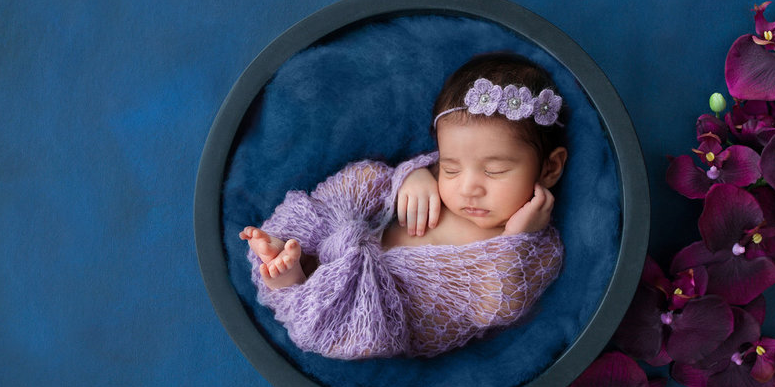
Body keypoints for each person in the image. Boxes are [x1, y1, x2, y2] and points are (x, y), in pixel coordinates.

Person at [239, 53, 569, 360]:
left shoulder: (538, 246)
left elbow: (501, 306)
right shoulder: (436, 179)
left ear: (550, 168)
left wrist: (516, 240)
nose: (468, 188)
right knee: (365, 181)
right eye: (452, 167)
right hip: (348, 246)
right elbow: (387, 184)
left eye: (494, 170)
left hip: (380, 312)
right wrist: (413, 176)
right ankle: (294, 265)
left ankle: (294, 283)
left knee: (350, 325)